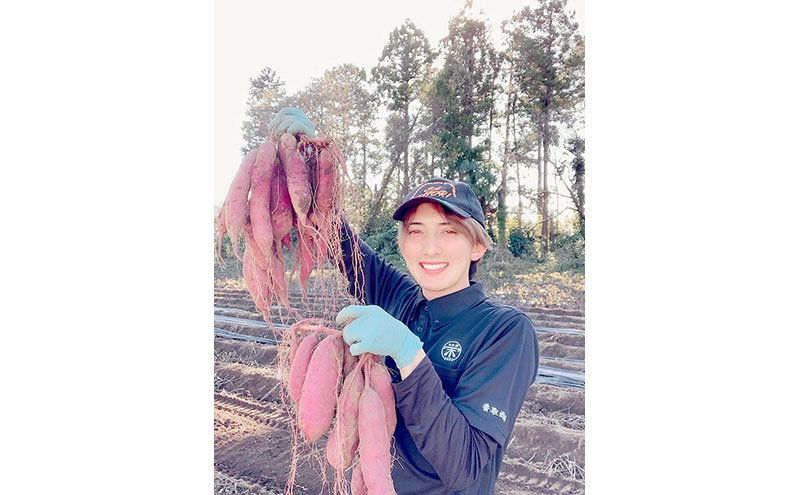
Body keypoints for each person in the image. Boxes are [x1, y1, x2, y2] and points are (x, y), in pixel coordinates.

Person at [270, 109, 539, 495]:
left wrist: (408, 353)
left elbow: (468, 468)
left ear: (478, 245)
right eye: (416, 231)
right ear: (403, 243)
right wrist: (303, 159)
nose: (430, 247)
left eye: (449, 231)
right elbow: (336, 238)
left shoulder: (506, 332)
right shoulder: (400, 297)